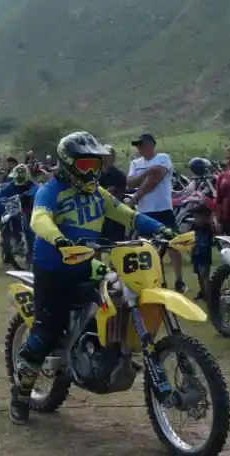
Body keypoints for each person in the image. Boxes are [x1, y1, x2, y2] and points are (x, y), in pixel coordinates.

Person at [10, 131, 173, 424]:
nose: (92, 171)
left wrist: (160, 230)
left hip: (87, 265)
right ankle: (20, 396)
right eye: (85, 165)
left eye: (96, 165)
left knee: (117, 296)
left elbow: (127, 214)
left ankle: (103, 351)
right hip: (54, 271)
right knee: (46, 332)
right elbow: (40, 218)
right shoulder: (52, 190)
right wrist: (59, 241)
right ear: (68, 164)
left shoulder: (97, 194)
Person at [126, 133, 185, 292]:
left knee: (172, 244)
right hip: (144, 211)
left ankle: (179, 280)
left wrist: (138, 193)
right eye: (137, 145)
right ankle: (148, 279)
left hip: (162, 208)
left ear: (151, 145)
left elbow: (155, 179)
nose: (139, 148)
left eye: (141, 144)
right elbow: (130, 182)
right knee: (144, 246)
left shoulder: (163, 158)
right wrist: (147, 172)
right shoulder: (135, 163)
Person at [0, 164, 37, 251]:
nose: (18, 179)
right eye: (17, 177)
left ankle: (31, 252)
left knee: (30, 230)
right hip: (14, 208)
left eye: (21, 177)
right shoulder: (12, 184)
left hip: (28, 210)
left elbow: (35, 192)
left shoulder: (33, 186)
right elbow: (1, 194)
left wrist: (26, 195)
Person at [98, 146, 129, 243]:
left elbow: (118, 196)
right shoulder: (96, 174)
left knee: (116, 245)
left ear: (113, 158)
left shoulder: (119, 175)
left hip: (115, 216)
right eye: (103, 156)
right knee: (97, 245)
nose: (105, 159)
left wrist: (106, 194)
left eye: (108, 156)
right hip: (99, 216)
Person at [190, 203, 214, 300]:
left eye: (200, 217)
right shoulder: (193, 227)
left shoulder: (208, 228)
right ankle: (202, 291)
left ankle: (208, 294)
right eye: (196, 217)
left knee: (204, 274)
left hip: (204, 252)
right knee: (198, 274)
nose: (198, 220)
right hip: (195, 252)